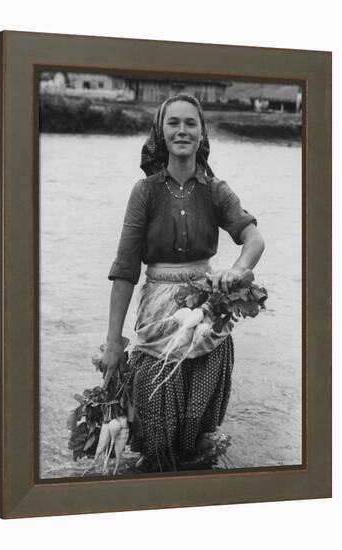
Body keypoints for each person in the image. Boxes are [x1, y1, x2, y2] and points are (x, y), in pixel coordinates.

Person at [101, 93, 265, 472]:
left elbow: (254, 240)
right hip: (158, 319)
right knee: (155, 428)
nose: (182, 130)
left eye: (190, 123)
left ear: (202, 132)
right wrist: (113, 343)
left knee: (195, 431)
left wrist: (237, 271)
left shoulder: (216, 190)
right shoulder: (145, 193)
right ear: (160, 131)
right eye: (173, 122)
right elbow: (125, 270)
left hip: (207, 315)